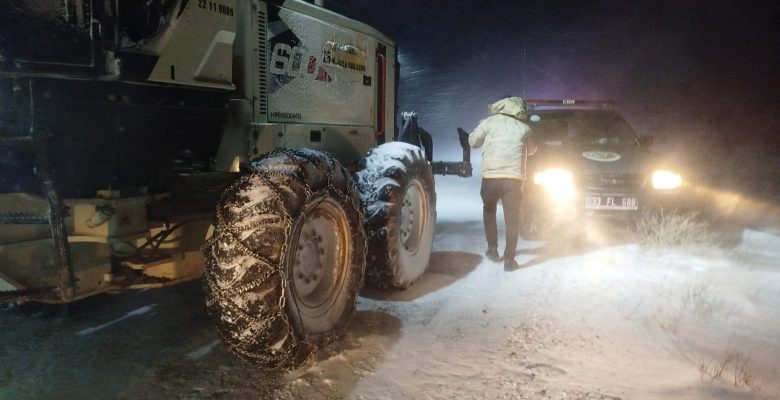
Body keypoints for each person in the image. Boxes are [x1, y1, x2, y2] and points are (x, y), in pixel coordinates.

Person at [461, 96, 537, 271]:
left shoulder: (489, 123)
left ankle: (492, 248)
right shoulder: (524, 128)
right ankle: (509, 260)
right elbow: (532, 150)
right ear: (519, 109)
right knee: (513, 219)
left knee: (489, 210)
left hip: (491, 179)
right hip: (514, 180)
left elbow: (473, 141)